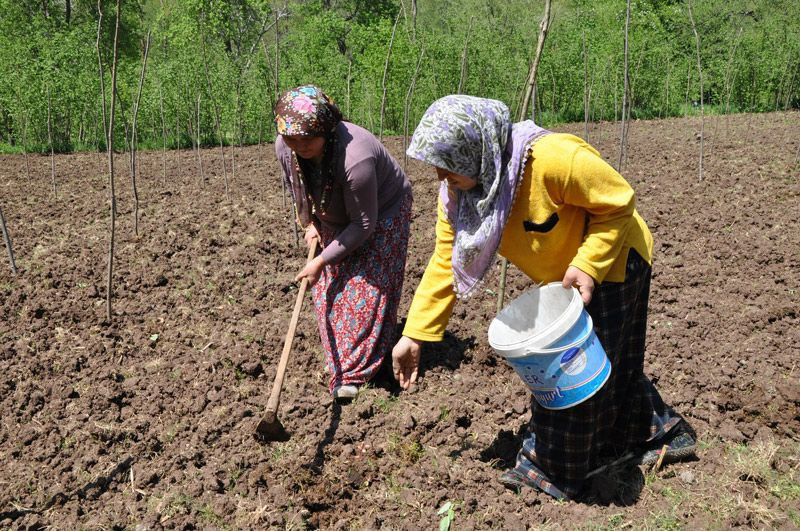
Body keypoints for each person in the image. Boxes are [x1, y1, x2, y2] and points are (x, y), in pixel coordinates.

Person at [391, 95, 695, 500]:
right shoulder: (459, 193)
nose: (441, 178)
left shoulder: (552, 159)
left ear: (477, 151)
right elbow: (445, 258)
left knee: (574, 370)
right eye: (438, 168)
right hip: (564, 279)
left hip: (618, 259)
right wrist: (416, 334)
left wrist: (589, 263)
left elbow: (618, 202)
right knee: (610, 361)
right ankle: (660, 434)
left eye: (449, 168)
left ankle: (548, 472)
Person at [274, 85, 413, 401]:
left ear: (326, 128)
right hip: (332, 212)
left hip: (383, 213)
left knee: (367, 290)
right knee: (329, 289)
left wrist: (321, 260)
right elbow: (297, 186)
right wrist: (309, 223)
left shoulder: (355, 157)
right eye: (292, 139)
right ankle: (341, 363)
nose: (299, 145)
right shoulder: (285, 147)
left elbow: (364, 225)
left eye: (308, 138)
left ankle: (354, 374)